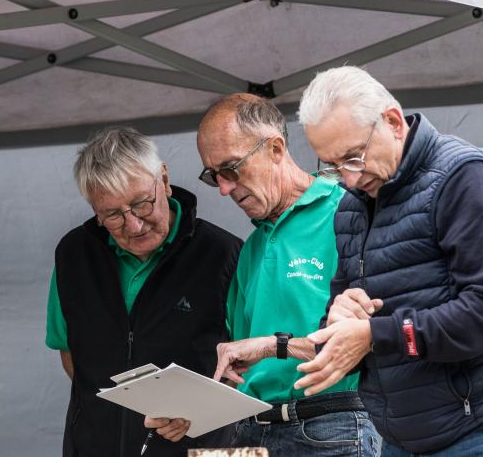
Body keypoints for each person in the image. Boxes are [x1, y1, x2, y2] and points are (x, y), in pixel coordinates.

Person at [294, 66, 483, 456]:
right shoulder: (351, 209)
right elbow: (350, 336)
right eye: (331, 166)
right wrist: (337, 321)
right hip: (402, 439)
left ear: (393, 122)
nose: (348, 179)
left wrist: (373, 335)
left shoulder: (467, 178)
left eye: (353, 157)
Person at [146, 93, 380, 456]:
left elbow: (376, 338)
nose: (224, 188)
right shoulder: (251, 249)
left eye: (231, 169)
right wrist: (192, 412)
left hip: (330, 425)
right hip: (252, 432)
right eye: (213, 176)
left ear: (275, 149)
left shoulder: (348, 215)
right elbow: (246, 370)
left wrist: (273, 344)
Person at [46, 126, 242, 457]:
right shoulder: (73, 254)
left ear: (163, 180)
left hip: (201, 449)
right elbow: (70, 353)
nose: (134, 225)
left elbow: (249, 362)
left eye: (142, 204)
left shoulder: (224, 254)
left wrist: (197, 412)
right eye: (113, 215)